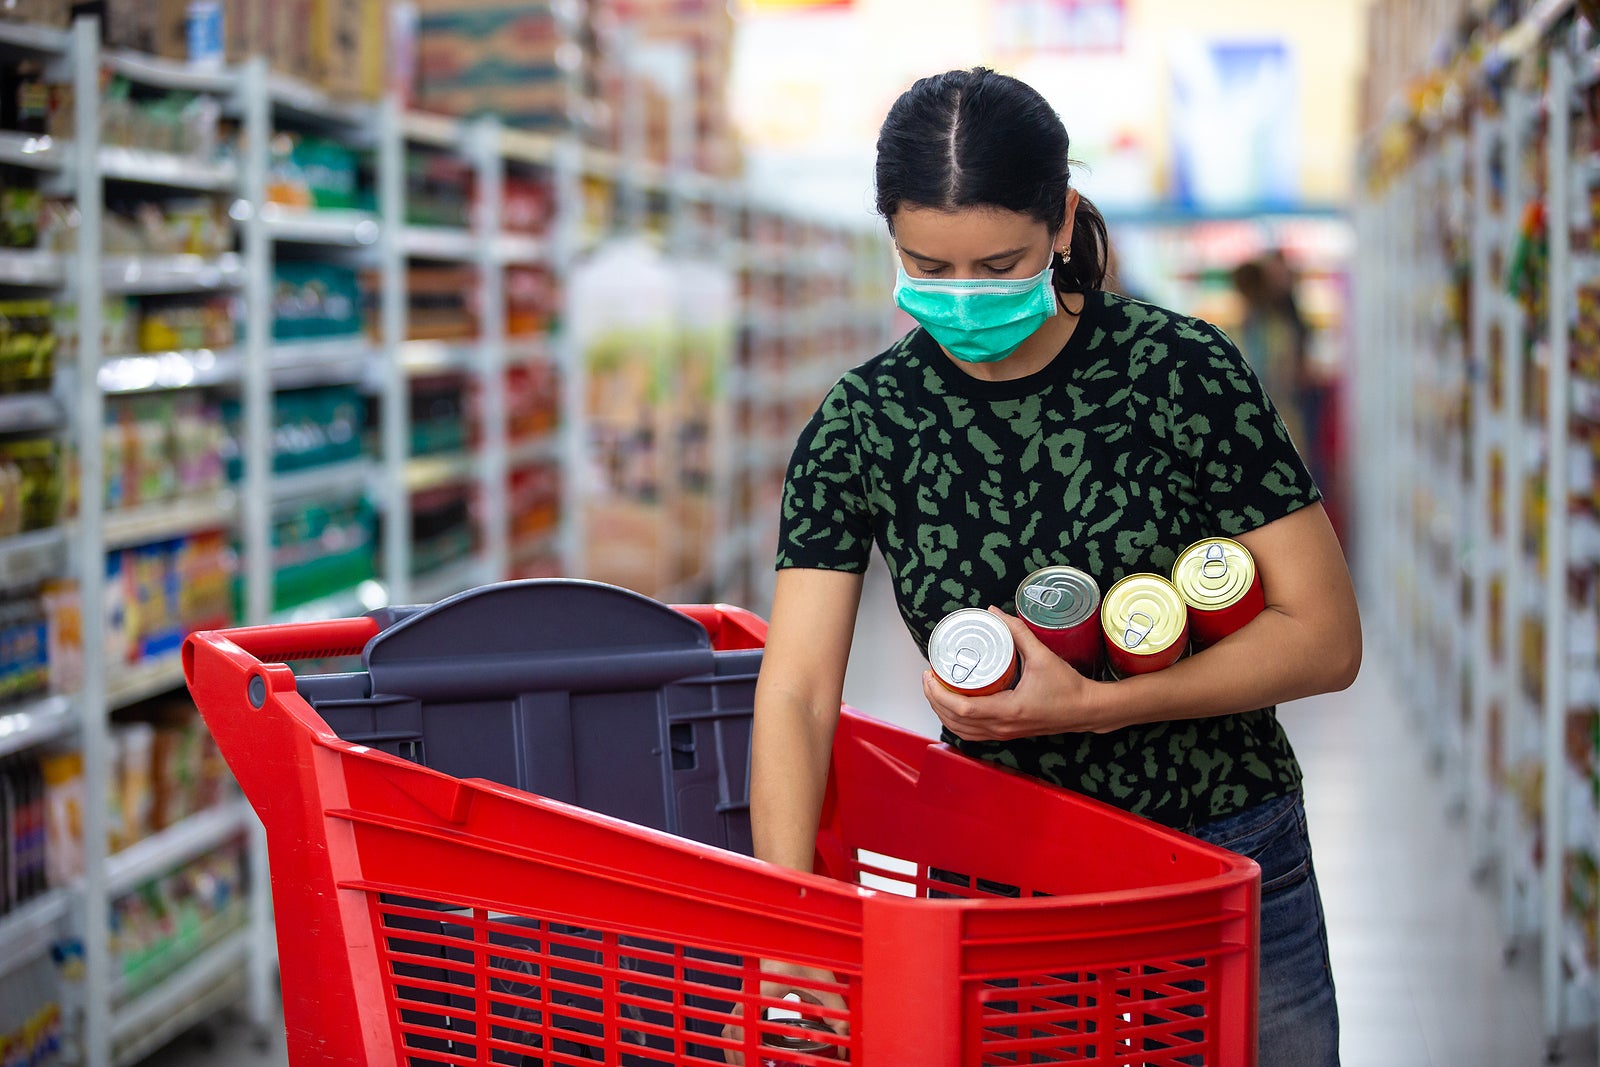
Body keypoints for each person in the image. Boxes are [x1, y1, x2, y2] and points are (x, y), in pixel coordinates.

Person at [749, 67, 1359, 1067]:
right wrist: (788, 921)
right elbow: (799, 689)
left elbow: (1324, 637)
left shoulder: (1181, 373)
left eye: (998, 265)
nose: (962, 298)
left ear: (1062, 220)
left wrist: (1090, 704)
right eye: (926, 265)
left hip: (1220, 848)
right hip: (999, 868)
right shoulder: (862, 423)